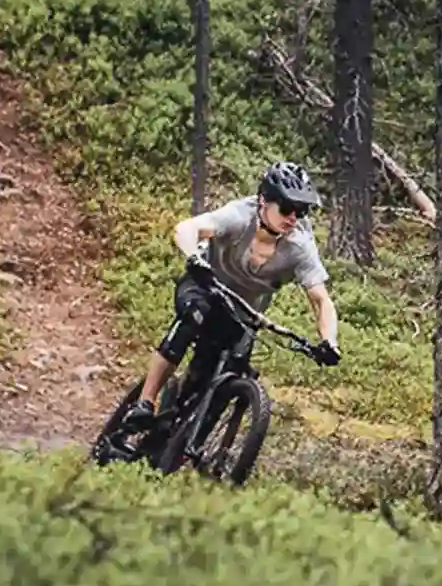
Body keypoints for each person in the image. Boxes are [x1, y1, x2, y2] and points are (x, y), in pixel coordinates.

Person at [126, 160, 341, 431]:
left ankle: (185, 440)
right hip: (204, 285)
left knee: (230, 371)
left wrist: (329, 341)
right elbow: (187, 228)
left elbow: (321, 299)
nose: (293, 218)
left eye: (302, 211)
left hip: (243, 311)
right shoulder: (240, 216)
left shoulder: (300, 246)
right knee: (193, 318)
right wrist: (194, 258)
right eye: (287, 208)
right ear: (264, 200)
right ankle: (144, 402)